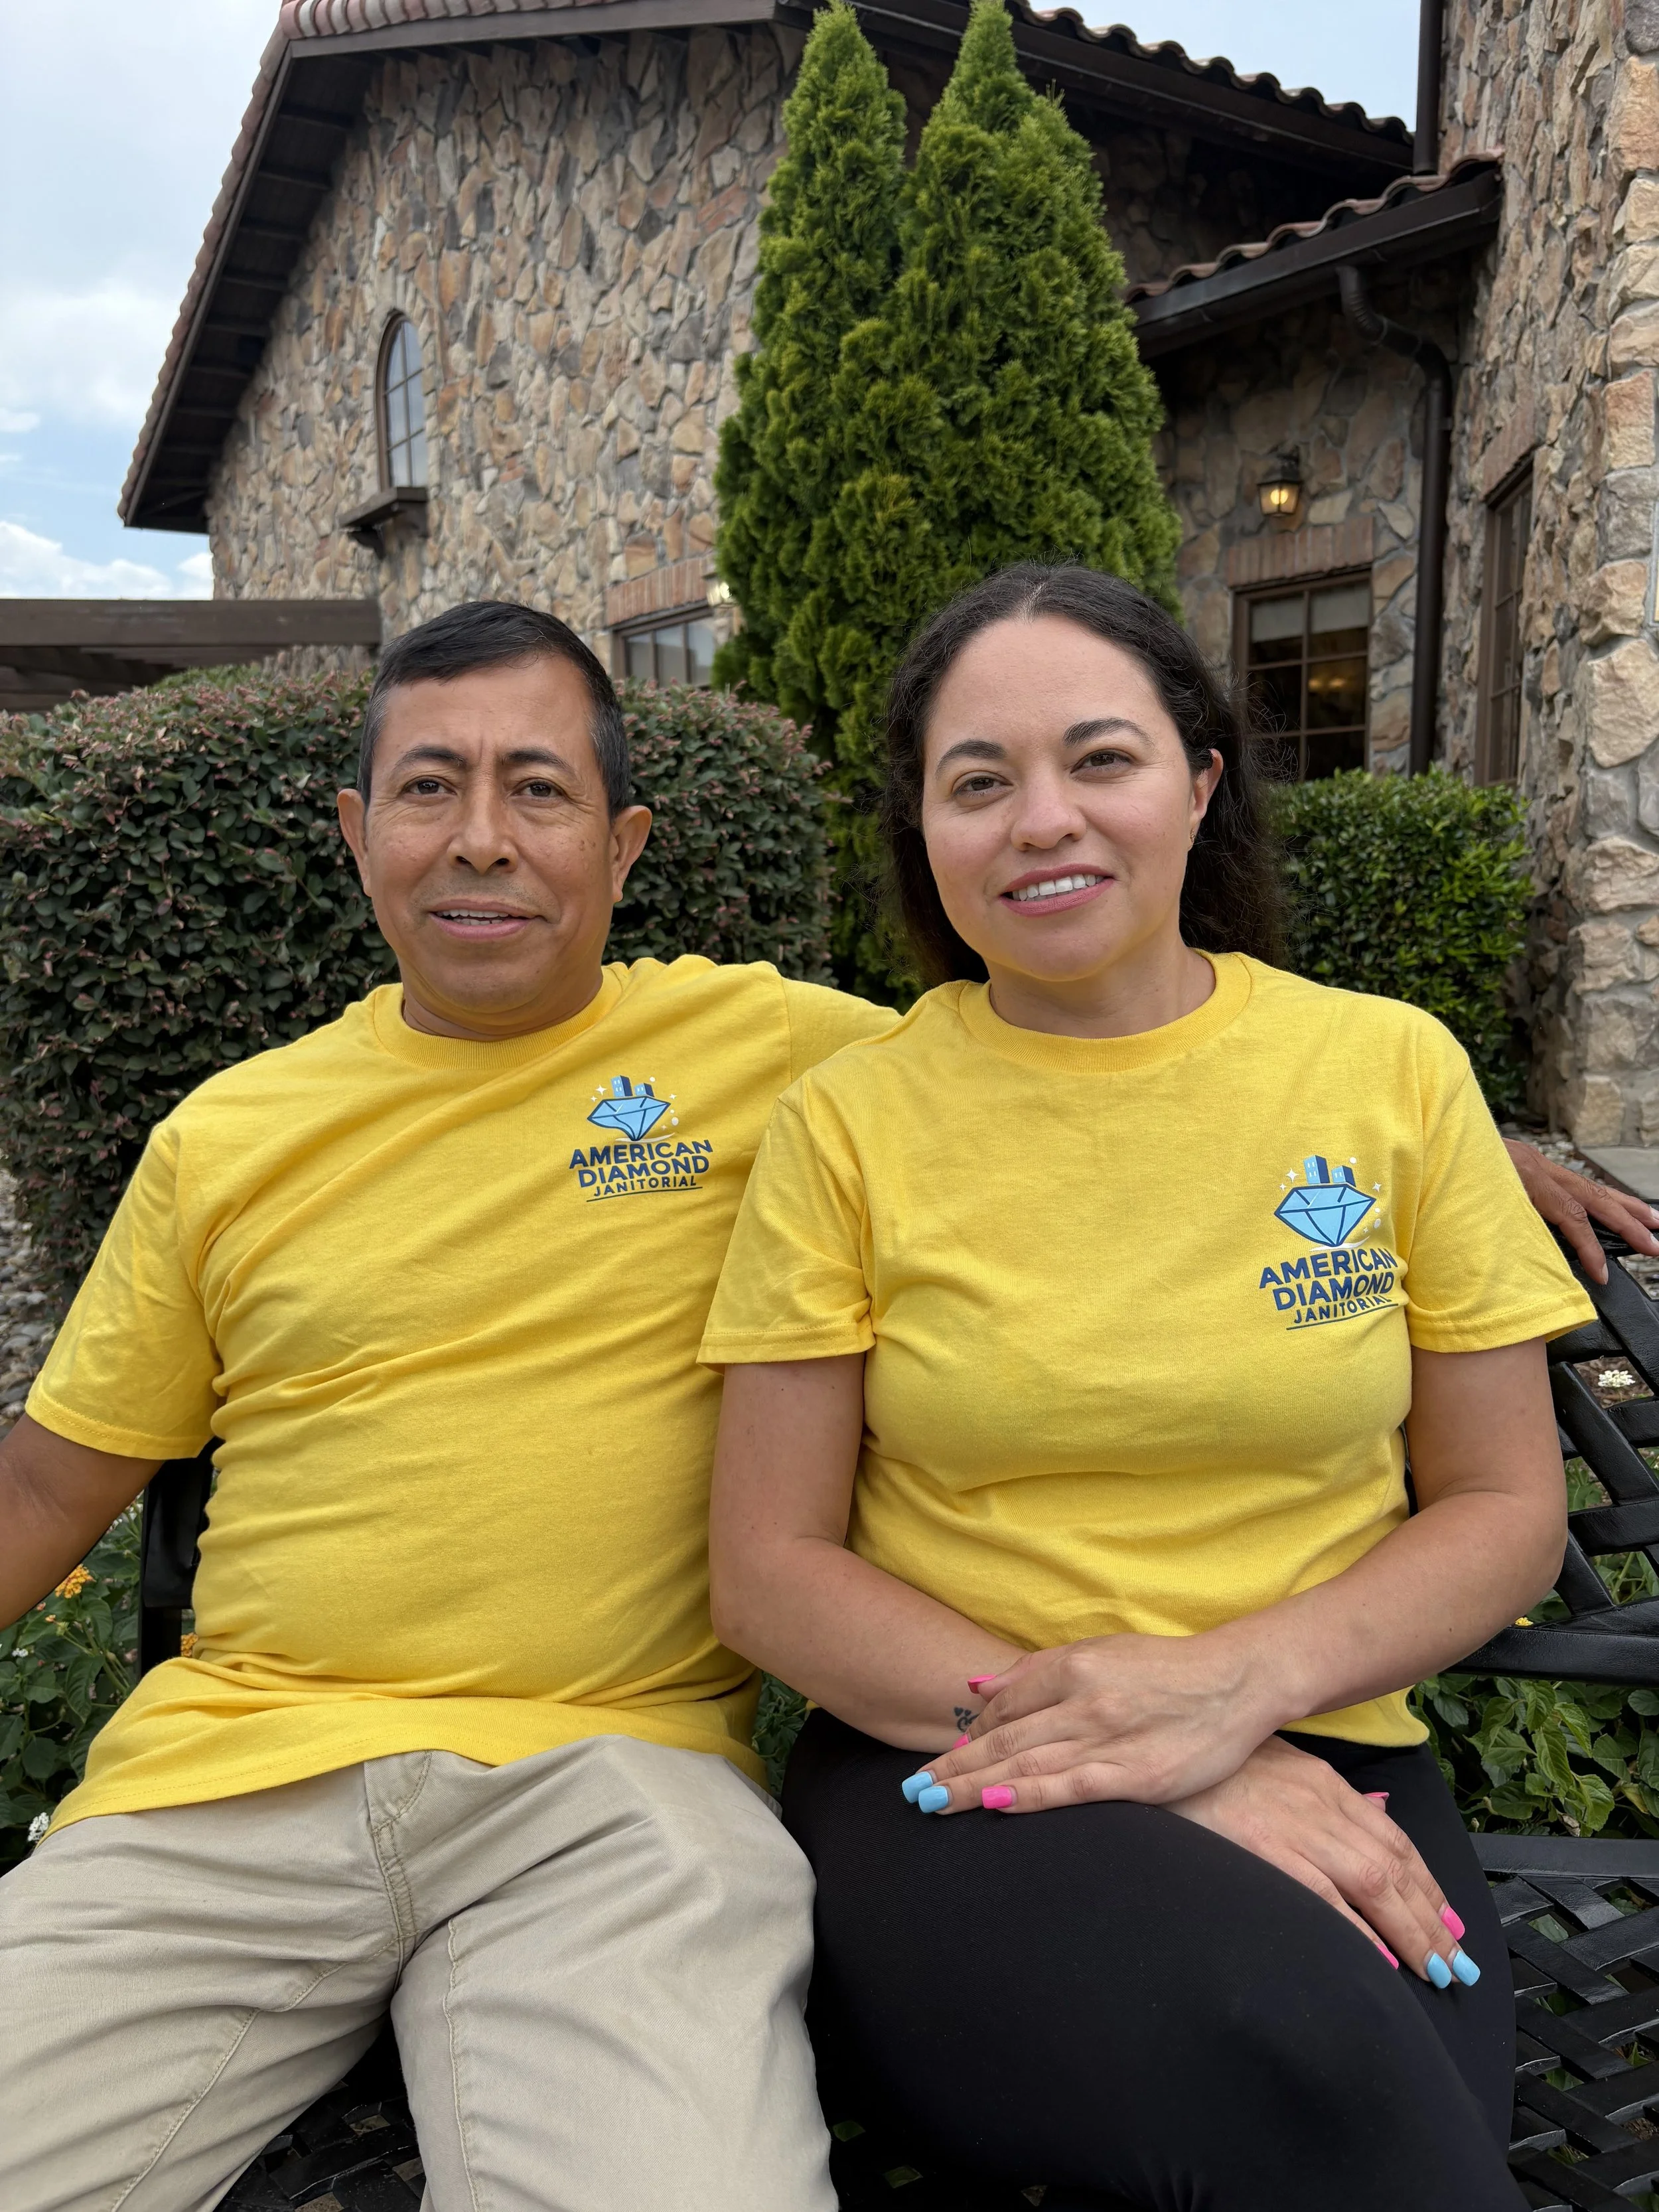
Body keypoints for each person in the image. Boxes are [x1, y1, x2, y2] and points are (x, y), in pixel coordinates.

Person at [701, 563, 1599, 2212]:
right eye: (978, 782)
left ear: (1196, 783)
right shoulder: (849, 1123)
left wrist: (1228, 1698)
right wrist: (1163, 1747)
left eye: (1097, 759)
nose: (1040, 819)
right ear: (924, 832)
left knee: (1402, 2123)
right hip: (955, 1772)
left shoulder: (1385, 1071)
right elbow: (768, 1567)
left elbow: (1499, 1505)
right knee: (1332, 2092)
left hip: (1324, 1741)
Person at [0, 601, 894, 2212]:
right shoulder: (229, 1137)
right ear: (358, 836)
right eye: (429, 788)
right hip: (226, 1796)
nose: (480, 839)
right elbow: (44, 1497)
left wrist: (1461, 1146)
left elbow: (1076, 1080)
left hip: (616, 1797)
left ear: (622, 846)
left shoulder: (778, 1051)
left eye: (536, 789)